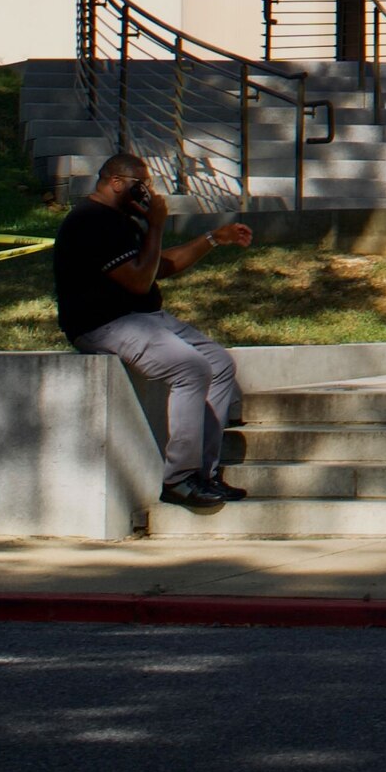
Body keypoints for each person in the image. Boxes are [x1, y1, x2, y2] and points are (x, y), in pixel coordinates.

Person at [53, 152, 254, 509]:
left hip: (143, 318)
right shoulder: (89, 221)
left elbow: (157, 266)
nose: (146, 192)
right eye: (139, 185)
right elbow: (137, 281)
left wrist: (213, 238)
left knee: (219, 363)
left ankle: (205, 474)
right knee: (190, 367)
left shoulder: (120, 219)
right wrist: (157, 225)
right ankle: (179, 478)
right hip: (104, 323)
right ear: (116, 182)